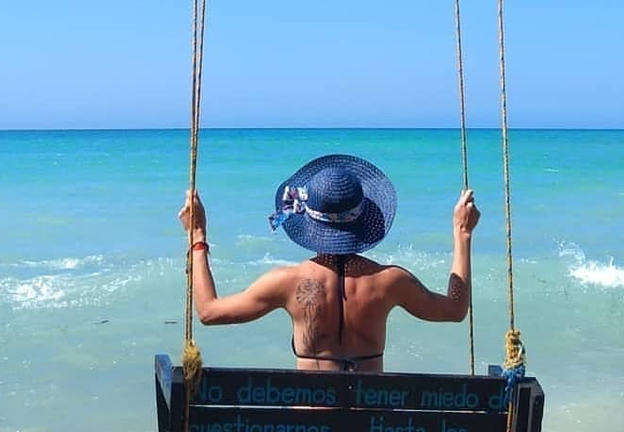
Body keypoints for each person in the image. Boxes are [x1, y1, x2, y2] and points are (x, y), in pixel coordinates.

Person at [178, 153, 480, 373]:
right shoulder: (391, 281)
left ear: (309, 221)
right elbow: (455, 309)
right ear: (364, 219)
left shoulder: (285, 281)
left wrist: (197, 236)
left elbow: (208, 311)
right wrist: (462, 233)